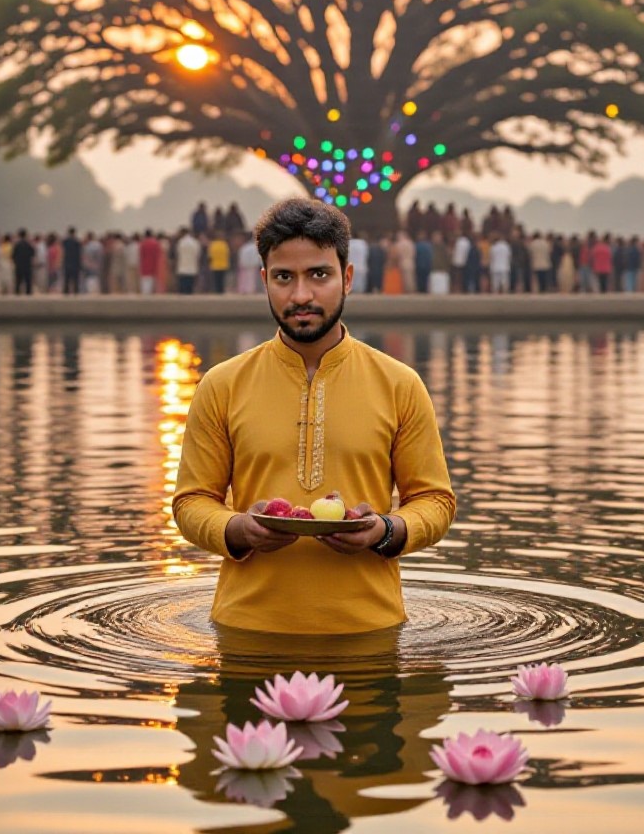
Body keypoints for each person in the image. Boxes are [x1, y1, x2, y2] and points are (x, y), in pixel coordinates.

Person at [172, 197, 455, 634]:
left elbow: (436, 502)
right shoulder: (222, 384)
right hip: (246, 631)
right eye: (284, 277)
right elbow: (191, 502)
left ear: (347, 277)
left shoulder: (399, 383)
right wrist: (238, 529)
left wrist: (384, 530)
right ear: (264, 280)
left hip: (369, 631)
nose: (301, 295)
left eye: (318, 275)